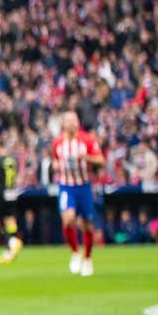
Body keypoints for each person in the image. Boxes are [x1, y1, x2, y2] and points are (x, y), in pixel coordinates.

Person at [52, 111, 105, 276]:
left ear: (77, 122)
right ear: (63, 124)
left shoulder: (87, 140)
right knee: (67, 219)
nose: (71, 124)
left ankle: (88, 259)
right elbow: (55, 160)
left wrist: (86, 157)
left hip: (83, 186)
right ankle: (75, 253)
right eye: (68, 121)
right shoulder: (58, 142)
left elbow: (101, 160)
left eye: (74, 120)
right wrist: (55, 166)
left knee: (87, 224)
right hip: (66, 186)